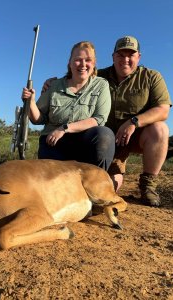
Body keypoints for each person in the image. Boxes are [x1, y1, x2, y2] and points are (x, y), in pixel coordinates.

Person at [42, 36, 172, 207]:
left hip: (135, 137)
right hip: (107, 142)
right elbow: (76, 76)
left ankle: (148, 184)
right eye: (120, 55)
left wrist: (133, 122)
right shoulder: (99, 76)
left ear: (138, 57)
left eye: (130, 55)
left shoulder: (151, 77)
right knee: (108, 188)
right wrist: (52, 83)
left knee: (160, 129)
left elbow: (163, 110)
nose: (125, 59)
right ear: (113, 57)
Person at [22, 41, 115, 171]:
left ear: (94, 64)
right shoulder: (54, 85)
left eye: (88, 60)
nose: (83, 64)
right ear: (70, 63)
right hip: (52, 141)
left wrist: (64, 128)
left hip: (83, 143)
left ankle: (96, 180)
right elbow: (38, 119)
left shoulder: (101, 85)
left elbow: (99, 119)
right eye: (78, 60)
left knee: (104, 134)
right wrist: (31, 102)